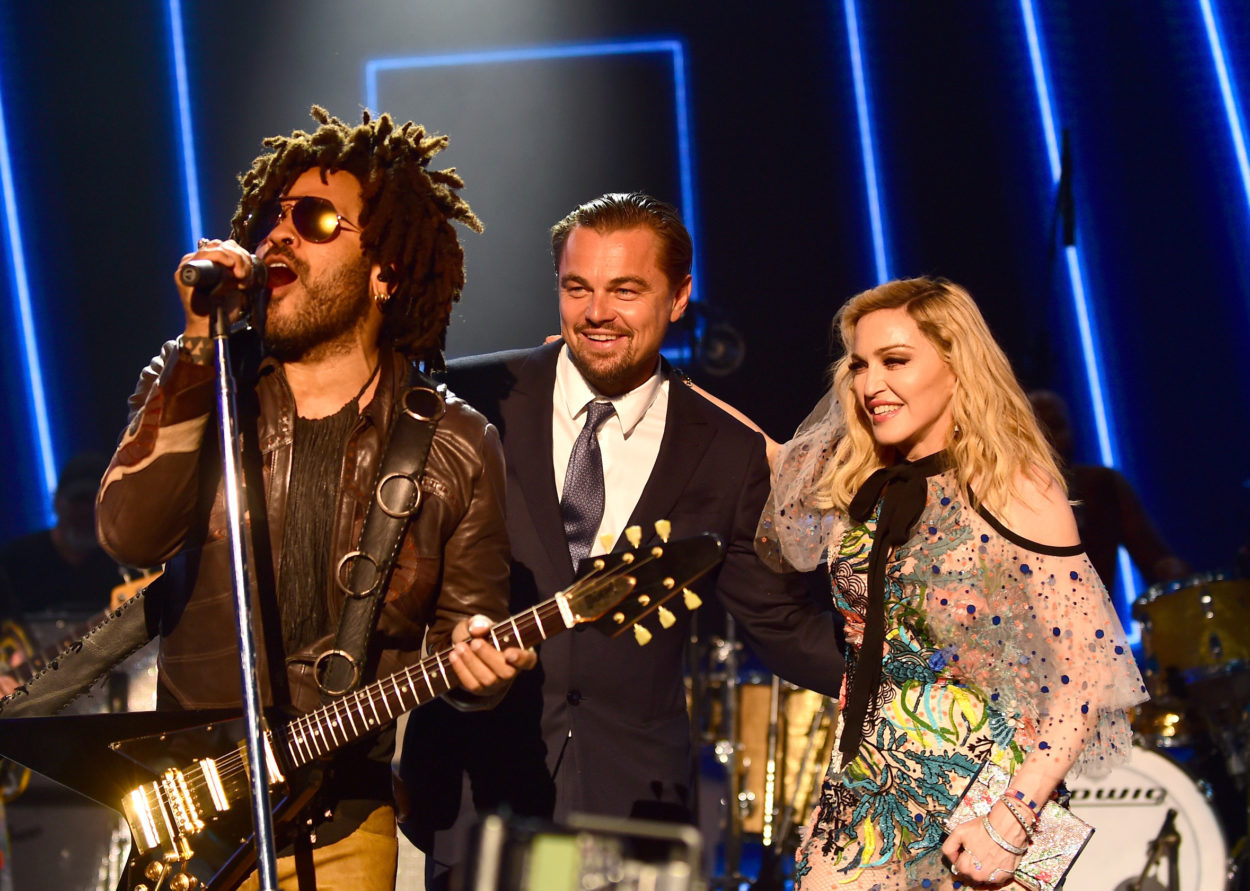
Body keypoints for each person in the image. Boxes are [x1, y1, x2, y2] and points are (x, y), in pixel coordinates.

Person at [1, 106, 532, 890]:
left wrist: (486, 670)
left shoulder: (455, 443)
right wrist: (195, 347)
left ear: (384, 271)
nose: (279, 235)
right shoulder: (198, 381)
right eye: (271, 217)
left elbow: (469, 638)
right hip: (189, 819)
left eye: (315, 219)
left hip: (345, 818)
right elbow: (128, 532)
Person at [400, 192, 846, 886]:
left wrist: (908, 674)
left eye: (625, 290)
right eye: (578, 288)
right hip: (479, 793)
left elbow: (779, 622)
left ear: (679, 296)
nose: (597, 313)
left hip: (634, 806)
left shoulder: (724, 449)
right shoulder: (473, 401)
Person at [758, 276, 1147, 890]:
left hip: (981, 799)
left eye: (896, 361)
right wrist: (637, 383)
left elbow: (1090, 666)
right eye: (860, 365)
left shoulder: (1010, 484)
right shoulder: (864, 480)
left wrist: (1012, 819)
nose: (869, 384)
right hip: (863, 787)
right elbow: (761, 453)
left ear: (956, 366)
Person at [1027, 389, 1190, 596]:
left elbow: (1154, 558)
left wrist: (1174, 573)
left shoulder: (1102, 485)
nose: (1048, 440)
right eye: (1038, 430)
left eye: (1056, 427)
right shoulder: (1003, 499)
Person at [0, 451, 124, 619]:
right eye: (78, 500)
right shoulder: (14, 560)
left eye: (96, 501)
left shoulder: (122, 563)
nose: (86, 511)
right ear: (57, 501)